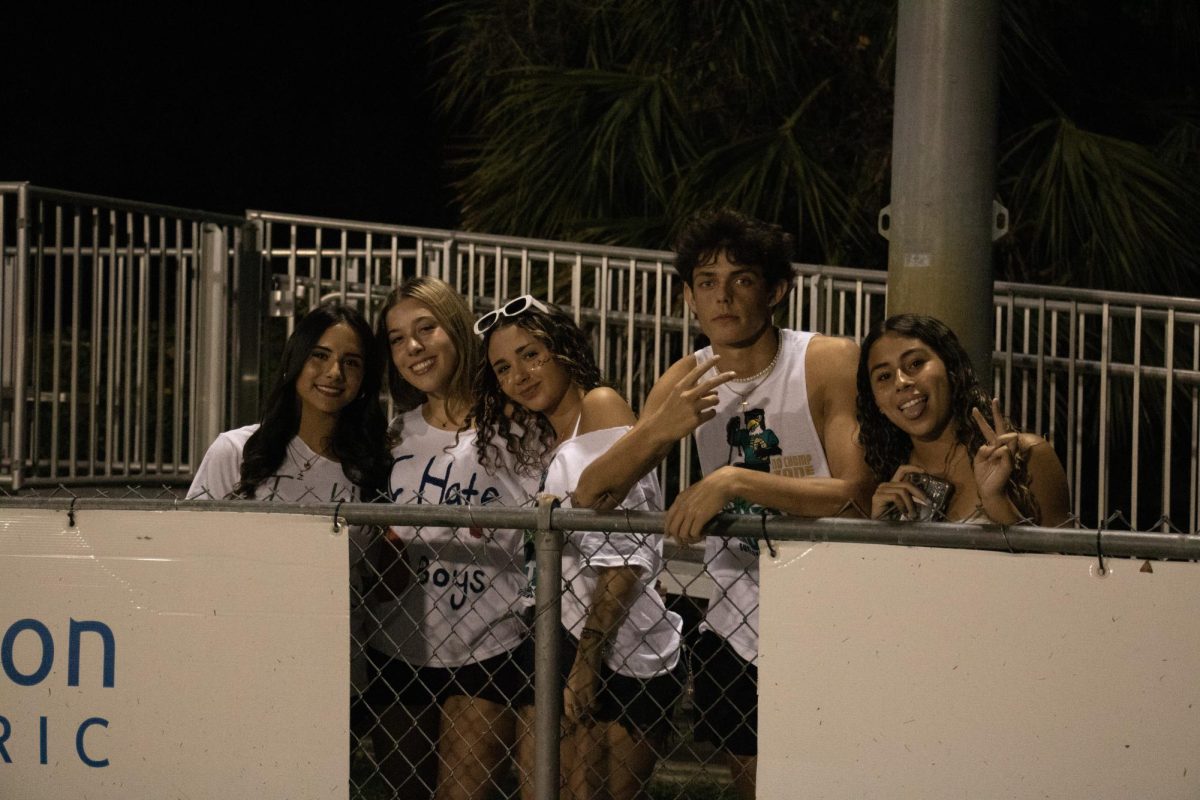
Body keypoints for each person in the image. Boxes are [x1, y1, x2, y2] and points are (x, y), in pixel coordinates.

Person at [569, 208, 876, 799]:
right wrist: (660, 430)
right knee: (751, 786)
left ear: (776, 289)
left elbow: (857, 496)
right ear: (687, 297)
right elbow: (593, 494)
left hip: (834, 608)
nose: (723, 296)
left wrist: (734, 481)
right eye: (707, 282)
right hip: (736, 619)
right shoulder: (686, 376)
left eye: (742, 279)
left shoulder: (825, 360)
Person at [473, 296, 684, 800]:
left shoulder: (600, 405)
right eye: (503, 367)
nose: (519, 375)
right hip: (570, 635)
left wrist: (586, 662)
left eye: (530, 354)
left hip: (623, 647)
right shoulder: (552, 434)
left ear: (563, 348)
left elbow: (625, 554)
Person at [185, 301, 391, 756]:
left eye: (351, 362)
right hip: (240, 663)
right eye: (320, 355)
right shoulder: (235, 452)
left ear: (364, 381)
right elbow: (190, 558)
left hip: (333, 671)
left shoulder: (372, 471)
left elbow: (376, 580)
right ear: (295, 361)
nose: (334, 372)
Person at [366, 276, 536, 800]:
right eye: (396, 338)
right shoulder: (393, 435)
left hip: (489, 645)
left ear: (457, 330)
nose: (412, 347)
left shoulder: (515, 424)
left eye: (425, 329)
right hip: (398, 644)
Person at [858, 313, 1071, 526]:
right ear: (876, 402)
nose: (902, 382)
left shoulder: (1027, 455)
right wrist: (880, 529)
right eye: (884, 376)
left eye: (915, 363)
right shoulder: (881, 477)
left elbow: (1063, 559)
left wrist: (996, 501)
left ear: (951, 369)